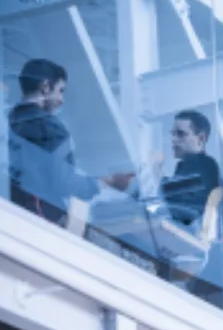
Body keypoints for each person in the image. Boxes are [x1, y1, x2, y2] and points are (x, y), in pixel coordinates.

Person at [9, 58, 133, 225]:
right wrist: (108, 181)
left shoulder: (7, 122)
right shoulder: (53, 130)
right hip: (42, 220)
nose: (62, 100)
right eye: (60, 91)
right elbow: (64, 182)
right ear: (45, 87)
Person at [158, 110, 222, 226]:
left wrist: (156, 170)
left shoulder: (203, 164)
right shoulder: (189, 165)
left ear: (201, 138)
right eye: (173, 134)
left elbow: (183, 204)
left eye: (181, 134)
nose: (173, 139)